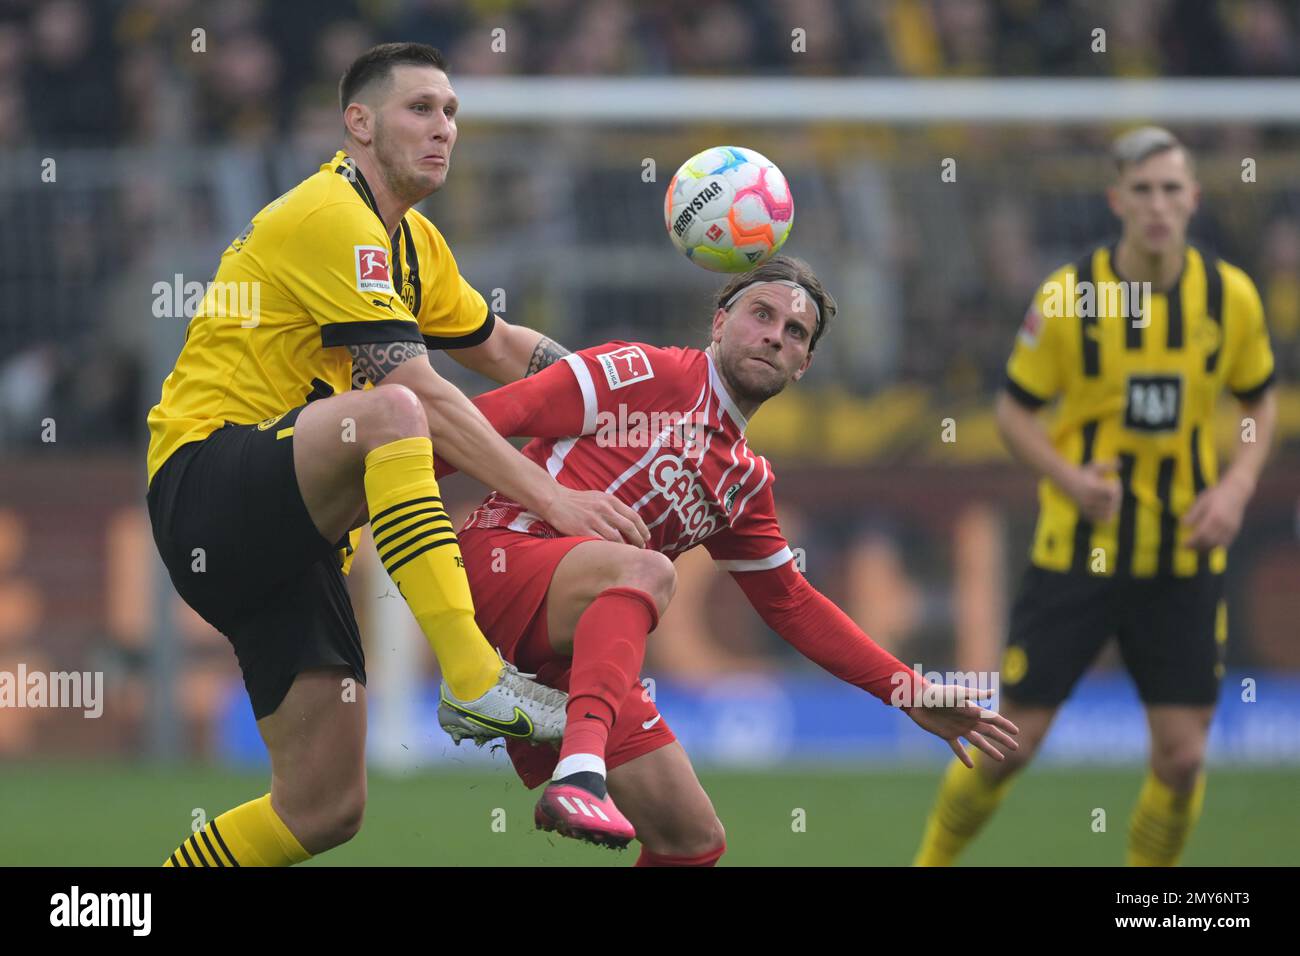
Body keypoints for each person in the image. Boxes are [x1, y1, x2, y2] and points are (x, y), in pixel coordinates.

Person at [147, 42, 648, 868]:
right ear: (359, 124)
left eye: (451, 111)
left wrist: (629, 391)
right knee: (395, 411)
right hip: (208, 480)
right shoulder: (328, 215)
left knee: (323, 808)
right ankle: (473, 679)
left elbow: (501, 347)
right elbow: (419, 391)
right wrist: (554, 500)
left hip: (289, 541)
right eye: (420, 109)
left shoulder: (412, 241)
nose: (443, 127)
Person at [438, 255, 1020, 863]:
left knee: (693, 842)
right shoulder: (641, 372)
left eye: (795, 333)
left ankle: (579, 759)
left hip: (573, 640)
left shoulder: (744, 481)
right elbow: (477, 424)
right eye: (761, 315)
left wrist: (912, 691)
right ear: (719, 323)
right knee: (645, 568)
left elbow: (794, 606)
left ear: (803, 366)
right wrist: (364, 511)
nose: (775, 335)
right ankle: (582, 773)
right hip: (500, 559)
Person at [914, 127, 1278, 867]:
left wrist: (1237, 486)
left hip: (1181, 556)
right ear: (1117, 200)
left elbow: (1259, 400)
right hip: (1078, 553)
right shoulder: (1069, 297)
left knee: (1181, 759)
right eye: (1141, 190)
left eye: (1171, 190)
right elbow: (1014, 412)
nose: (1157, 205)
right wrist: (1069, 478)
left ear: (1193, 200)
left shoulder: (1228, 296)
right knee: (1011, 744)